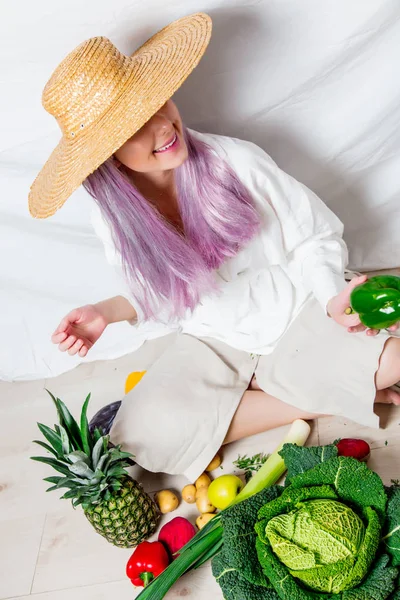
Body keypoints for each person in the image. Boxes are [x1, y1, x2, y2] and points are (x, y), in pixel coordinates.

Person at [29, 13, 400, 481]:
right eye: (134, 128)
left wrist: (332, 299)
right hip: (216, 341)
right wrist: (105, 313)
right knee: (139, 436)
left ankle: (297, 386)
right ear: (108, 158)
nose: (163, 126)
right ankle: (315, 392)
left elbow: (315, 238)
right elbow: (163, 297)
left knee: (391, 363)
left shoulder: (236, 162)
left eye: (156, 104)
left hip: (295, 315)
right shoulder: (114, 220)